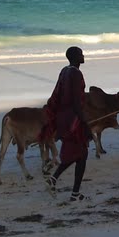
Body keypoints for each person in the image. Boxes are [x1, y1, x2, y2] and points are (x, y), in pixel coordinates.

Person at [43, 46, 94, 202]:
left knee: (79, 154)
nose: (83, 55)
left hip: (64, 118)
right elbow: (76, 101)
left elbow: (56, 95)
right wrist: (85, 124)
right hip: (73, 119)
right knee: (80, 153)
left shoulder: (64, 71)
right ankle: (67, 188)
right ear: (74, 57)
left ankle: (70, 190)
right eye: (80, 54)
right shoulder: (76, 74)